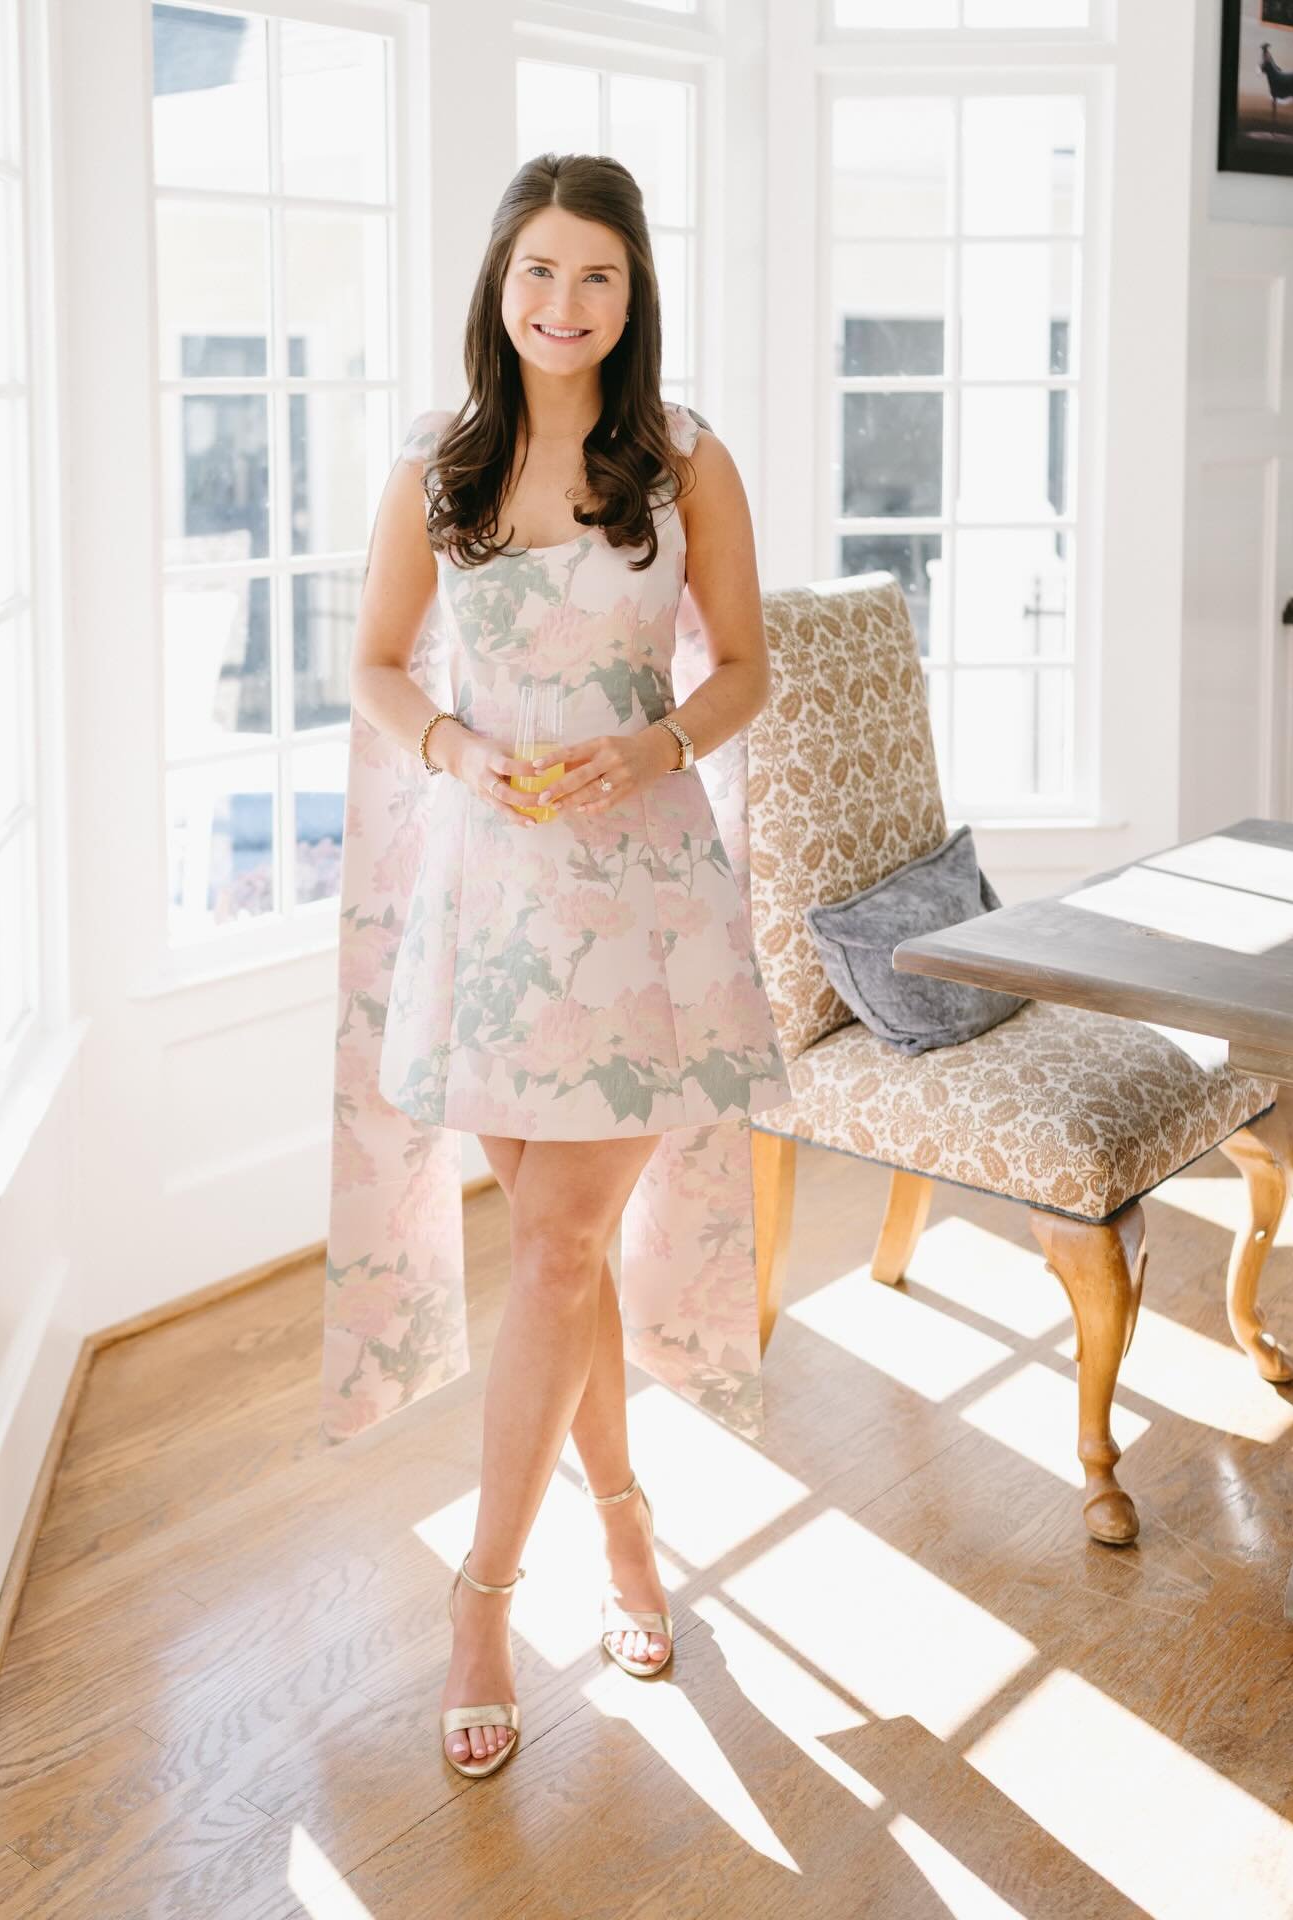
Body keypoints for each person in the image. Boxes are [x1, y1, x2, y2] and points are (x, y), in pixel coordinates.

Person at [347, 152, 791, 1779]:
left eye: (595, 275)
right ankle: (623, 1522)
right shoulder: (439, 461)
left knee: (548, 1250)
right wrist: (458, 752)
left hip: (643, 901)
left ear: (633, 292)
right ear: (498, 282)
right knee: (564, 1252)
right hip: (490, 901)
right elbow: (381, 664)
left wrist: (659, 742)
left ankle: (483, 1594)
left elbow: (741, 666)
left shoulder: (681, 460)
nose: (562, 302)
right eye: (538, 270)